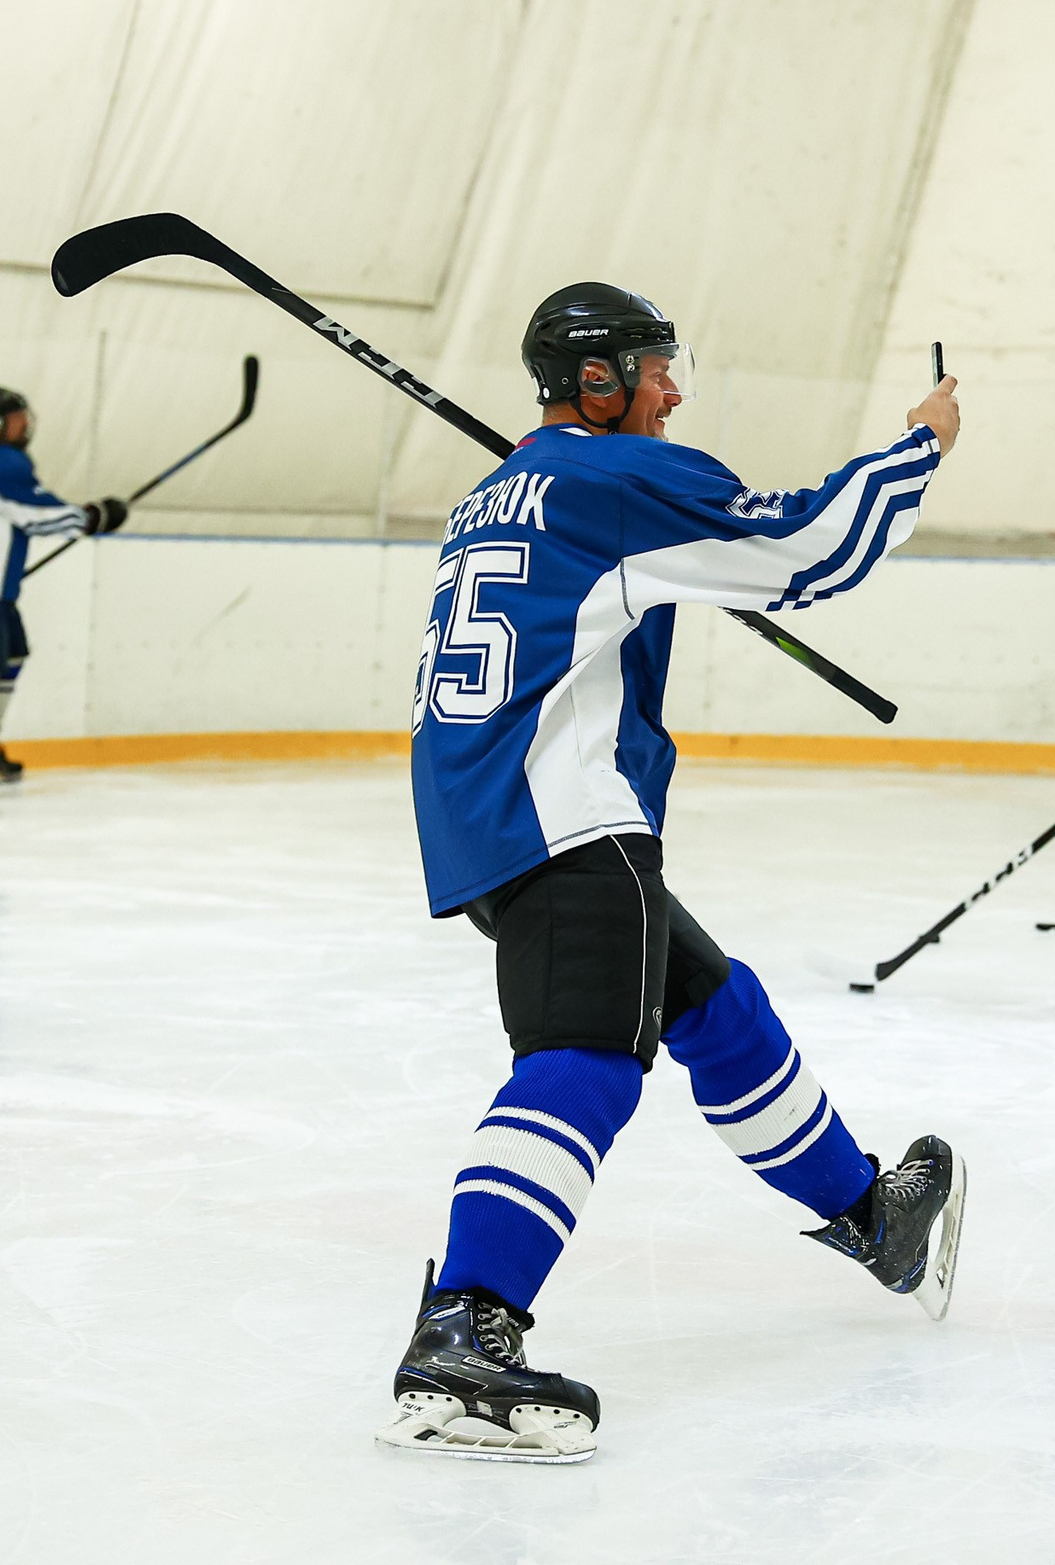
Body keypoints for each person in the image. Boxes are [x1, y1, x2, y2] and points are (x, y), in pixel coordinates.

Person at [378, 284, 970, 1465]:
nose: (674, 388)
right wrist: (924, 442)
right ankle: (465, 1327)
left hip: (492, 816)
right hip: (568, 813)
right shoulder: (609, 481)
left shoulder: (505, 492)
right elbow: (812, 545)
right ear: (596, 384)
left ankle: (870, 1217)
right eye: (655, 369)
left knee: (711, 1003)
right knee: (585, 1057)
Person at [0, 387, 126, 786]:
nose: (26, 424)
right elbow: (34, 513)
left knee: (11, 657)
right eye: (16, 418)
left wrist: (85, 518)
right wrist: (89, 518)